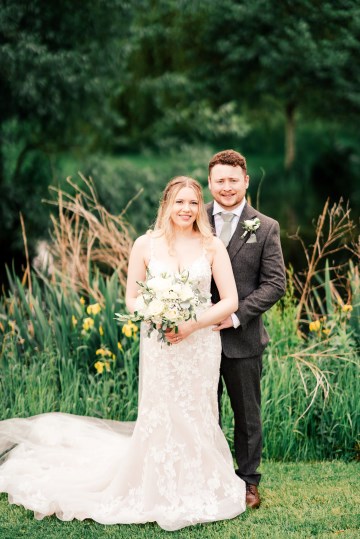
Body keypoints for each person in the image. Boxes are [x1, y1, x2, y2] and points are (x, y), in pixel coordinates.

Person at [0, 176, 246, 531]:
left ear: (199, 207)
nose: (187, 209)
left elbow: (230, 301)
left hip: (199, 344)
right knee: (161, 412)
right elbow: (131, 298)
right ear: (166, 204)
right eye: (180, 202)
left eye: (193, 202)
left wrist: (191, 324)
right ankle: (153, 485)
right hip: (160, 343)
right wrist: (159, 316)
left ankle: (197, 482)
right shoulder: (145, 244)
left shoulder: (211, 246)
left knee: (196, 411)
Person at [207, 149, 286, 508]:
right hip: (197, 339)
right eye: (220, 180)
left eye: (233, 180)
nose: (226, 187)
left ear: (246, 181)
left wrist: (236, 315)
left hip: (243, 337)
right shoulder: (191, 219)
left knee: (246, 415)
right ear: (210, 182)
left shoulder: (265, 226)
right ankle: (208, 476)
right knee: (205, 411)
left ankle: (248, 482)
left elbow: (275, 284)